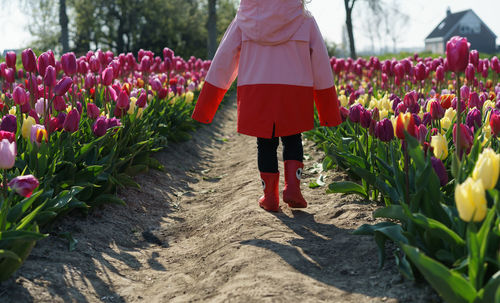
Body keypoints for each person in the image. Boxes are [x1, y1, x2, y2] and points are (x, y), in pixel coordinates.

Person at [192, 0, 341, 212]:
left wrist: (207, 104)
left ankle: (270, 197)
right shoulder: (304, 19)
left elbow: (224, 59)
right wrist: (328, 108)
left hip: (257, 89)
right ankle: (293, 190)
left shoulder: (244, 19)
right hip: (295, 89)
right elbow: (320, 62)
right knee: (293, 138)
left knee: (265, 143)